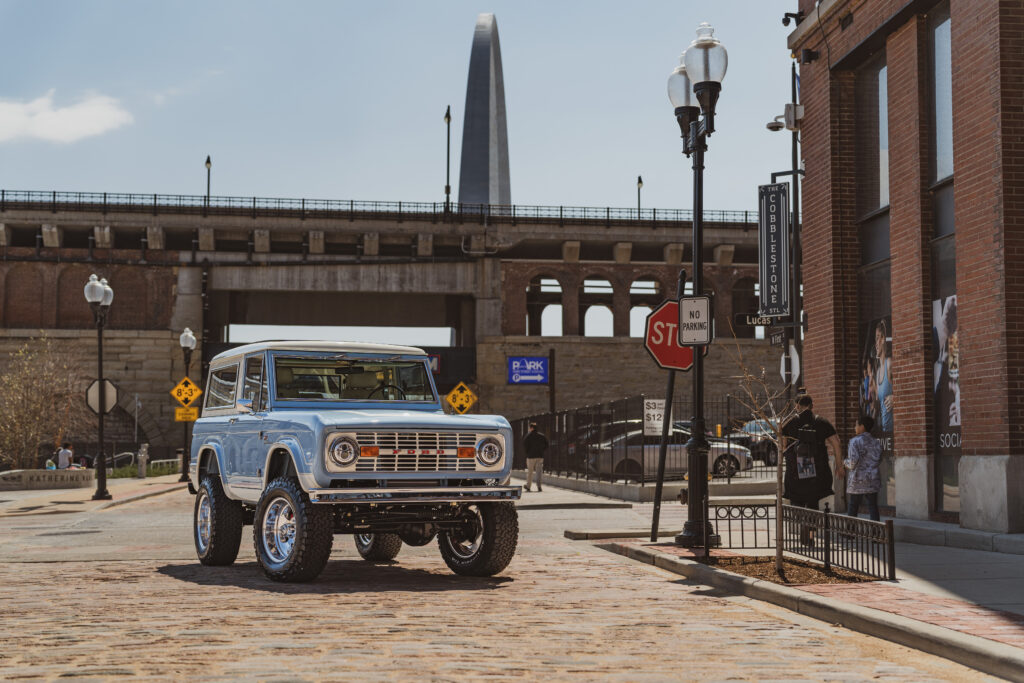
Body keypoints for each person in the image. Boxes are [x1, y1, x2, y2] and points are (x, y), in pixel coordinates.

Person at [782, 395, 845, 543]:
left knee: (796, 500)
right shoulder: (821, 422)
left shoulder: (790, 423)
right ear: (812, 405)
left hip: (796, 471)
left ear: (797, 406)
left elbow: (783, 446)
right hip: (818, 471)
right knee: (813, 502)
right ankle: (810, 534)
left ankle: (802, 521)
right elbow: (836, 443)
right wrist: (839, 465)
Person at [845, 415, 882, 521]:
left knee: (853, 506)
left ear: (862, 426)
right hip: (873, 479)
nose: (854, 427)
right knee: (873, 507)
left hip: (858, 480)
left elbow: (852, 462)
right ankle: (876, 534)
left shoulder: (854, 441)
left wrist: (844, 462)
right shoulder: (876, 442)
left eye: (856, 425)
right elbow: (878, 459)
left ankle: (850, 533)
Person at [522, 422, 548, 492]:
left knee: (530, 472)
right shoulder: (542, 436)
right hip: (540, 456)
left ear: (532, 428)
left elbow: (525, 445)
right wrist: (542, 451)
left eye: (529, 428)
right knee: (539, 472)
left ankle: (528, 486)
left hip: (530, 456)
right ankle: (539, 486)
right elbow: (546, 445)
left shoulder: (528, 436)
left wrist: (527, 453)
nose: (529, 429)